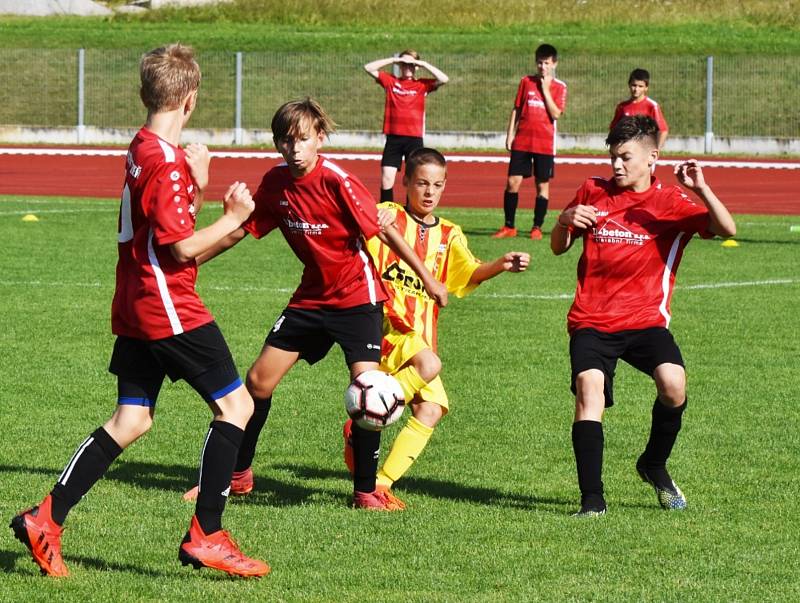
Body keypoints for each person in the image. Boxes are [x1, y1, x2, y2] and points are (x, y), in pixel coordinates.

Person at [10, 44, 269, 577]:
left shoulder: (141, 147)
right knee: (236, 408)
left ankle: (46, 518)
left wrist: (200, 191)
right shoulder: (166, 162)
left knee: (132, 418)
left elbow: (165, 227)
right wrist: (233, 213)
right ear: (191, 100)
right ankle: (208, 534)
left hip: (134, 301)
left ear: (145, 94)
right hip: (166, 304)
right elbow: (179, 248)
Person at [182, 98, 448, 511]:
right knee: (257, 383)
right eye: (285, 141)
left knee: (368, 390)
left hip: (358, 298)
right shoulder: (275, 184)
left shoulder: (337, 181)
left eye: (303, 139)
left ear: (319, 138)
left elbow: (385, 229)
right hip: (311, 299)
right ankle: (237, 475)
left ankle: (365, 491)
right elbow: (241, 231)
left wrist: (429, 279)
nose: (294, 149)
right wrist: (192, 262)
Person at [550, 115, 736, 517]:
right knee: (589, 392)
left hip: (646, 322)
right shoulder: (592, 190)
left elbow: (726, 227)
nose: (616, 165)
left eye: (625, 157)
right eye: (613, 157)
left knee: (674, 385)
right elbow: (558, 247)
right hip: (591, 321)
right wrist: (564, 221)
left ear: (653, 157)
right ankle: (593, 502)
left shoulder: (671, 202)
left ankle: (652, 465)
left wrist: (701, 188)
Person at [340, 147, 530, 508]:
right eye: (422, 183)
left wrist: (500, 264)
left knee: (432, 409)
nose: (429, 192)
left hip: (420, 336)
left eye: (437, 185)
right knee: (430, 366)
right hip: (388, 326)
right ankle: (366, 413)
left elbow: (467, 274)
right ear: (405, 182)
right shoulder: (391, 215)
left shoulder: (450, 235)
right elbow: (367, 223)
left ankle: (378, 482)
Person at [493, 43, 567, 241]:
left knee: (542, 184)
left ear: (554, 64)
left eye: (547, 63)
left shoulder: (559, 87)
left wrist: (545, 89)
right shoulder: (526, 81)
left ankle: (537, 227)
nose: (543, 67)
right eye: (540, 63)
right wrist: (510, 134)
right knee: (512, 182)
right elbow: (517, 109)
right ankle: (509, 226)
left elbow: (556, 113)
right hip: (523, 141)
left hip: (544, 144)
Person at [364, 50, 449, 202]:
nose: (407, 68)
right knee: (386, 179)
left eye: (411, 65)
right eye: (404, 65)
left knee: (415, 178)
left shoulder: (422, 85)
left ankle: (412, 214)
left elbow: (444, 79)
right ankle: (387, 213)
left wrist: (422, 64)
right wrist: (393, 60)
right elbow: (368, 68)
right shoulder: (391, 82)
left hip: (414, 138)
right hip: (394, 137)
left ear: (416, 67)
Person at [610, 68, 669, 150]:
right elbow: (613, 128)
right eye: (634, 85)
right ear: (629, 85)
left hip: (644, 151)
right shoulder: (622, 107)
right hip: (625, 150)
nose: (636, 89)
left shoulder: (652, 106)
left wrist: (656, 149)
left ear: (646, 88)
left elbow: (663, 130)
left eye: (640, 86)